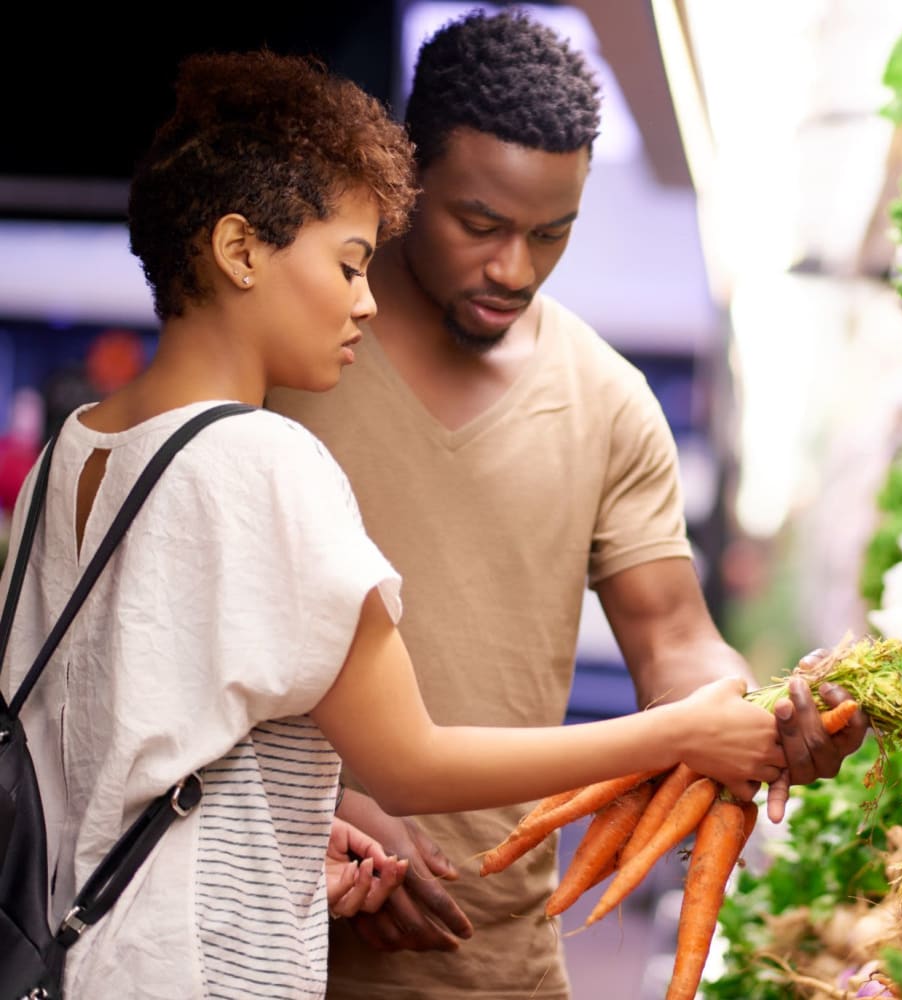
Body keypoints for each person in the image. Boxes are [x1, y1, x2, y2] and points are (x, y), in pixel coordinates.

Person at [0, 49, 791, 1000]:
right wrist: (673, 739)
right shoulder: (269, 456)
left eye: (553, 234)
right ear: (242, 249)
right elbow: (409, 764)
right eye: (349, 264)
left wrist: (288, 820)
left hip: (86, 959)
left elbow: (114, 739)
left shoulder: (70, 453)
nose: (364, 302)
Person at [267, 9, 869, 1000]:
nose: (514, 269)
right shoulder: (288, 356)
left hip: (501, 961)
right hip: (273, 948)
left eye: (552, 235)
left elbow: (673, 637)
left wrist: (755, 715)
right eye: (480, 225)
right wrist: (308, 804)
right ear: (404, 178)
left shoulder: (608, 396)